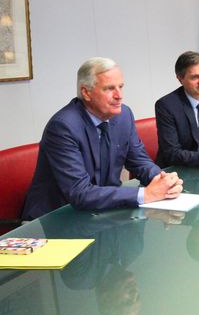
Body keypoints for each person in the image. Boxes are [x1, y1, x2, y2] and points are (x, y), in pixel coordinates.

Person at [22, 58, 183, 221]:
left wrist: (162, 181)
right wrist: (146, 194)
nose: (119, 96)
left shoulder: (124, 115)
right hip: (55, 220)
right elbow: (80, 193)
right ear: (86, 92)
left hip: (102, 213)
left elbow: (140, 160)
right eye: (109, 89)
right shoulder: (63, 127)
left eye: (121, 87)